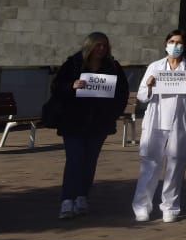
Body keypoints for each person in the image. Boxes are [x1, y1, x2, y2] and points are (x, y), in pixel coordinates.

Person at [48, 32, 128, 219]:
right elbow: (56, 86)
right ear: (89, 46)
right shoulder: (73, 63)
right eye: (98, 45)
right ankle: (67, 199)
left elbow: (121, 92)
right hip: (74, 121)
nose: (101, 49)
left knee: (89, 161)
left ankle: (82, 196)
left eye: (104, 46)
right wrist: (72, 86)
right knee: (74, 160)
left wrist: (112, 113)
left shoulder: (112, 66)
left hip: (98, 123)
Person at [132, 29, 186, 223]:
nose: (175, 46)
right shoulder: (155, 67)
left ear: (184, 46)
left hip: (180, 120)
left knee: (176, 164)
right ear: (165, 44)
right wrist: (150, 85)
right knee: (149, 163)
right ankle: (142, 206)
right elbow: (141, 95)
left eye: (179, 43)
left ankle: (170, 206)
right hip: (156, 119)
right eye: (172, 41)